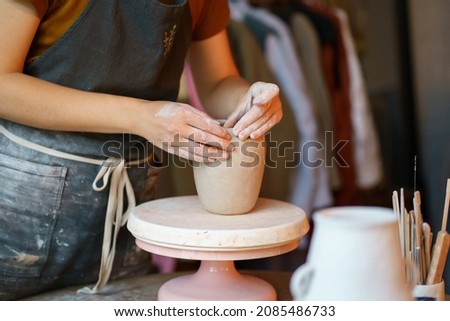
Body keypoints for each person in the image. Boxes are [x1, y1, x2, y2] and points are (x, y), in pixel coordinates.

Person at [0, 0, 282, 300]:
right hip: (24, 207)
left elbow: (217, 83)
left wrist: (250, 99)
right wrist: (140, 117)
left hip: (129, 207)